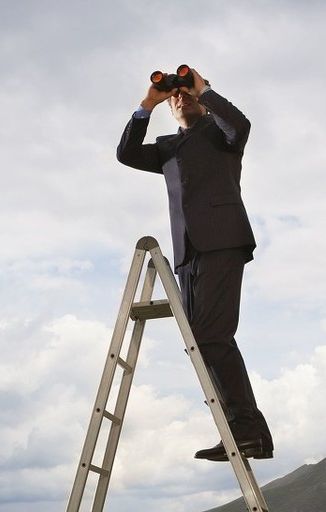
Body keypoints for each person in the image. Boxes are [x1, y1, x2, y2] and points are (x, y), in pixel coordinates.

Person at [117, 66, 273, 461]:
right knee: (202, 344)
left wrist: (204, 90)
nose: (180, 97)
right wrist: (148, 104)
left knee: (210, 335)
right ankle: (247, 432)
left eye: (185, 92)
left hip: (222, 241)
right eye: (176, 96)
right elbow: (127, 154)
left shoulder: (220, 134)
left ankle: (246, 430)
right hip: (187, 253)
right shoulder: (168, 147)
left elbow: (241, 124)